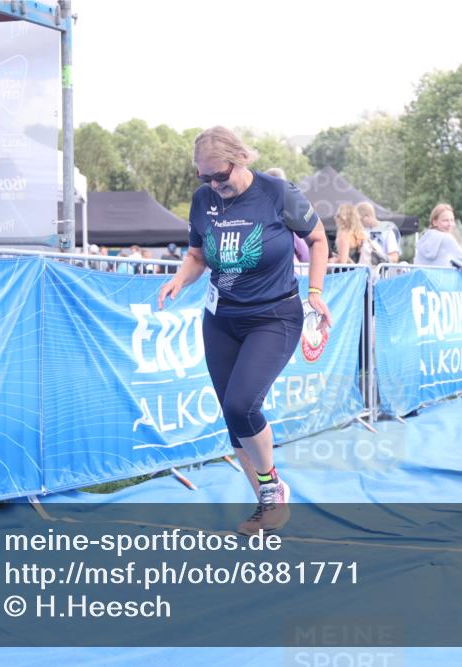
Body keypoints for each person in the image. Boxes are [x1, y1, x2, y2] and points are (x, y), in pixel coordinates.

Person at [158, 126, 332, 535]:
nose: (215, 185)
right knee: (233, 419)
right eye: (205, 178)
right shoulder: (203, 201)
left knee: (242, 405)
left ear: (242, 160)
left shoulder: (277, 192)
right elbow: (199, 254)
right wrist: (181, 279)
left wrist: (317, 291)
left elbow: (319, 238)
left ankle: (273, 488)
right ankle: (267, 507)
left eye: (221, 176)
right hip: (221, 319)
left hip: (274, 316)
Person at [414, 203, 462, 281]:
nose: (450, 224)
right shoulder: (447, 238)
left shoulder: (424, 238)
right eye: (445, 220)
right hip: (440, 283)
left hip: (420, 281)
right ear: (434, 222)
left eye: (452, 220)